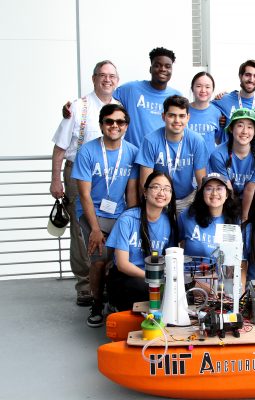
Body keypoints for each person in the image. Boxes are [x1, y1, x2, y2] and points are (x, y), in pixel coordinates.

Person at [50, 60, 120, 307]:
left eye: (112, 76)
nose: (107, 80)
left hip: (110, 178)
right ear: (93, 79)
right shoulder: (78, 107)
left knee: (108, 230)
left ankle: (105, 283)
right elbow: (60, 147)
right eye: (102, 75)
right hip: (78, 176)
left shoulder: (118, 108)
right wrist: (55, 179)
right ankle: (84, 286)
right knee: (81, 233)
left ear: (117, 80)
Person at [71, 104, 139, 327]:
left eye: (120, 122)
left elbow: (131, 193)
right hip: (92, 213)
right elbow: (84, 194)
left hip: (120, 213)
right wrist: (95, 229)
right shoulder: (88, 151)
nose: (114, 126)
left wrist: (132, 222)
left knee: (121, 260)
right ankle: (97, 303)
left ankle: (115, 299)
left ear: (126, 126)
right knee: (100, 259)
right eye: (109, 121)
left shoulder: (131, 152)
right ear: (101, 125)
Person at [63, 47, 182, 148]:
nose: (163, 69)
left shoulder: (176, 96)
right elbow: (102, 96)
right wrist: (74, 106)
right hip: (134, 160)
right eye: (157, 65)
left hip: (165, 159)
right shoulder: (131, 89)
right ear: (150, 69)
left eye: (168, 66)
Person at [106, 171, 178, 311]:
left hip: (155, 277)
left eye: (166, 189)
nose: (161, 192)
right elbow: (122, 264)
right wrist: (153, 279)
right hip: (127, 277)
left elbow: (170, 260)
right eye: (156, 187)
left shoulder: (169, 222)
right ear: (145, 192)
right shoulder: (127, 219)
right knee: (143, 287)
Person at [135, 95, 208, 214]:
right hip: (158, 199)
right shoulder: (150, 141)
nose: (177, 120)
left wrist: (199, 208)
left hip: (187, 199)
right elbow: (144, 183)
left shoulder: (197, 141)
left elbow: (201, 181)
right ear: (164, 116)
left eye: (182, 116)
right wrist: (148, 210)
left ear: (188, 118)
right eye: (172, 115)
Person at [209, 108, 255, 222]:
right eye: (240, 125)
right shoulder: (218, 155)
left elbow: (249, 189)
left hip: (251, 199)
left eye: (250, 127)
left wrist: (244, 218)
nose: (245, 131)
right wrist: (235, 217)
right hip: (226, 197)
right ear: (231, 128)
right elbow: (228, 189)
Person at [212, 59, 255, 144]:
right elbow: (204, 107)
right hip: (229, 155)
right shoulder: (224, 100)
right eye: (247, 75)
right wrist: (218, 118)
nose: (251, 79)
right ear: (240, 76)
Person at [178, 172, 240, 259]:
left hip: (221, 272)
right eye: (209, 189)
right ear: (202, 193)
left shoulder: (234, 218)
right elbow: (173, 247)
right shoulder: (187, 216)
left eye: (219, 188)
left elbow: (236, 258)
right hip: (191, 271)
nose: (214, 193)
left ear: (226, 194)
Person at [188, 71, 223, 156]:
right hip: (187, 164)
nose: (203, 90)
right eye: (198, 86)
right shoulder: (183, 110)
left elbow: (218, 140)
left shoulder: (217, 113)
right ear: (192, 88)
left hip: (209, 165)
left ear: (212, 89)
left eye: (207, 87)